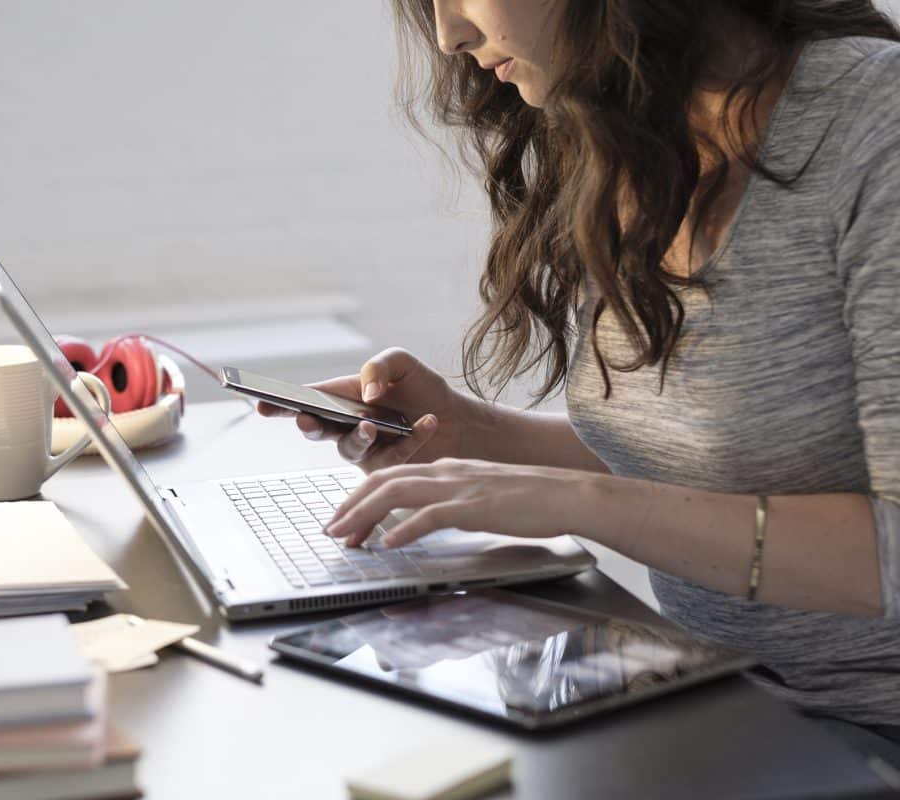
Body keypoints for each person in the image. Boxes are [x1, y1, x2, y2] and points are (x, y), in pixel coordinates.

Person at [258, 0, 900, 766]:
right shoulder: (639, 130)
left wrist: (584, 506)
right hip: (726, 694)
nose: (448, 34)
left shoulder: (877, 127)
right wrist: (475, 435)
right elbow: (709, 465)